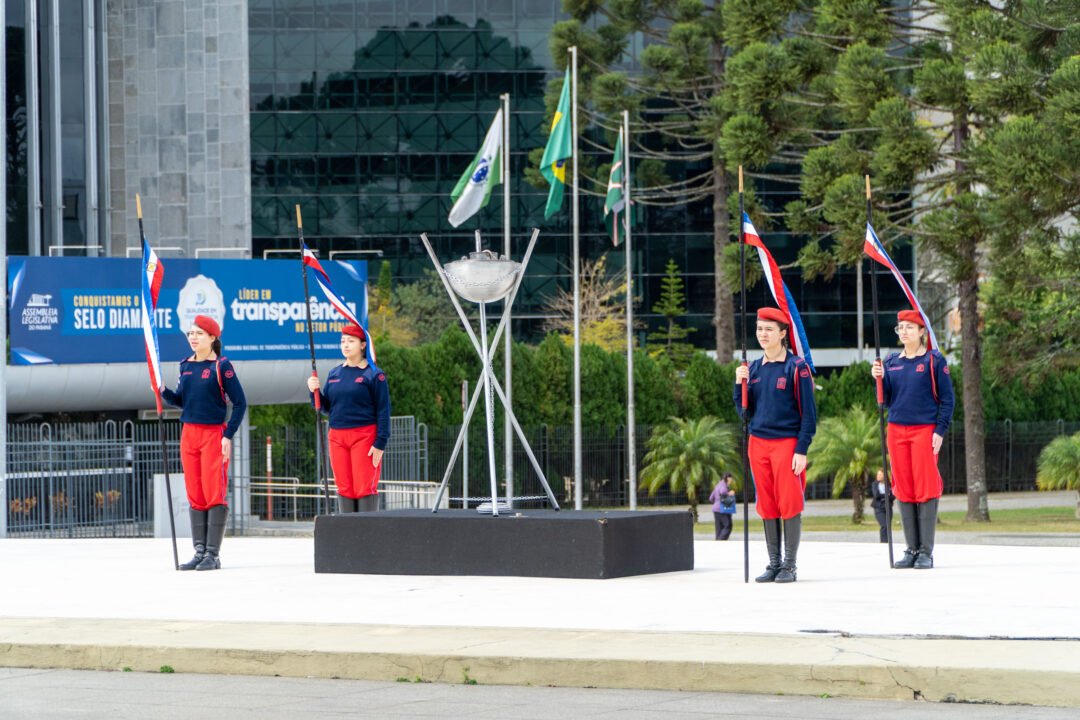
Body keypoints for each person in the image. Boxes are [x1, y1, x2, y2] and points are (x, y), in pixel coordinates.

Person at [733, 307, 817, 583]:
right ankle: (773, 563)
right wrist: (739, 385)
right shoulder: (754, 369)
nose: (762, 334)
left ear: (783, 333)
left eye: (769, 329)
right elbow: (745, 414)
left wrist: (801, 449)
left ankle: (790, 565)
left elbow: (809, 414)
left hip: (787, 444)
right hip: (758, 444)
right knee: (767, 504)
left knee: (789, 503)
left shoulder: (796, 368)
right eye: (759, 329)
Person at [870, 310, 955, 569]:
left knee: (925, 485)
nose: (904, 331)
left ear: (922, 332)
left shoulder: (934, 361)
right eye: (900, 328)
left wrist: (940, 431)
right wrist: (879, 379)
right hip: (896, 429)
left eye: (909, 327)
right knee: (903, 486)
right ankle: (911, 549)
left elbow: (948, 400)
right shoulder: (892, 361)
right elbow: (885, 401)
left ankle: (926, 551)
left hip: (924, 430)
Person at [162, 315, 247, 571]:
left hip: (213, 434)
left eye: (199, 333)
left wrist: (227, 435)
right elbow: (182, 401)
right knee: (195, 492)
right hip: (189, 432)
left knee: (213, 492)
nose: (193, 337)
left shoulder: (222, 366)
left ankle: (213, 553)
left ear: (212, 338)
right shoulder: (185, 366)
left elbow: (240, 403)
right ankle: (199, 552)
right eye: (190, 333)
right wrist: (163, 391)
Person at [306, 324, 391, 513]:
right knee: (344, 486)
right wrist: (315, 392)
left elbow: (383, 410)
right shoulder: (335, 373)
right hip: (337, 435)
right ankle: (348, 534)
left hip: (364, 435)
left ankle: (366, 535)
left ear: (363, 345)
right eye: (343, 341)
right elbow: (326, 407)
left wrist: (380, 443)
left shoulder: (373, 374)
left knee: (364, 486)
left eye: (351, 341)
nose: (345, 345)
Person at [708, 473, 737, 541]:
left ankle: (718, 542)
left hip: (715, 509)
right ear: (728, 478)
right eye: (730, 480)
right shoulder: (723, 486)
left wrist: (716, 503)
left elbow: (711, 498)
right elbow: (723, 493)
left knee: (719, 528)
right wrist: (730, 493)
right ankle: (720, 541)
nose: (731, 481)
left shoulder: (717, 485)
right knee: (728, 526)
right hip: (723, 509)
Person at [870, 469, 894, 544]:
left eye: (880, 475)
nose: (878, 476)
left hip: (888, 507)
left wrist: (885, 496)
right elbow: (876, 495)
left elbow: (893, 496)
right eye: (878, 475)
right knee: (884, 525)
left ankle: (888, 542)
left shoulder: (889, 484)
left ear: (885, 476)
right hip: (879, 507)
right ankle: (883, 543)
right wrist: (886, 495)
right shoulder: (875, 484)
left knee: (888, 525)